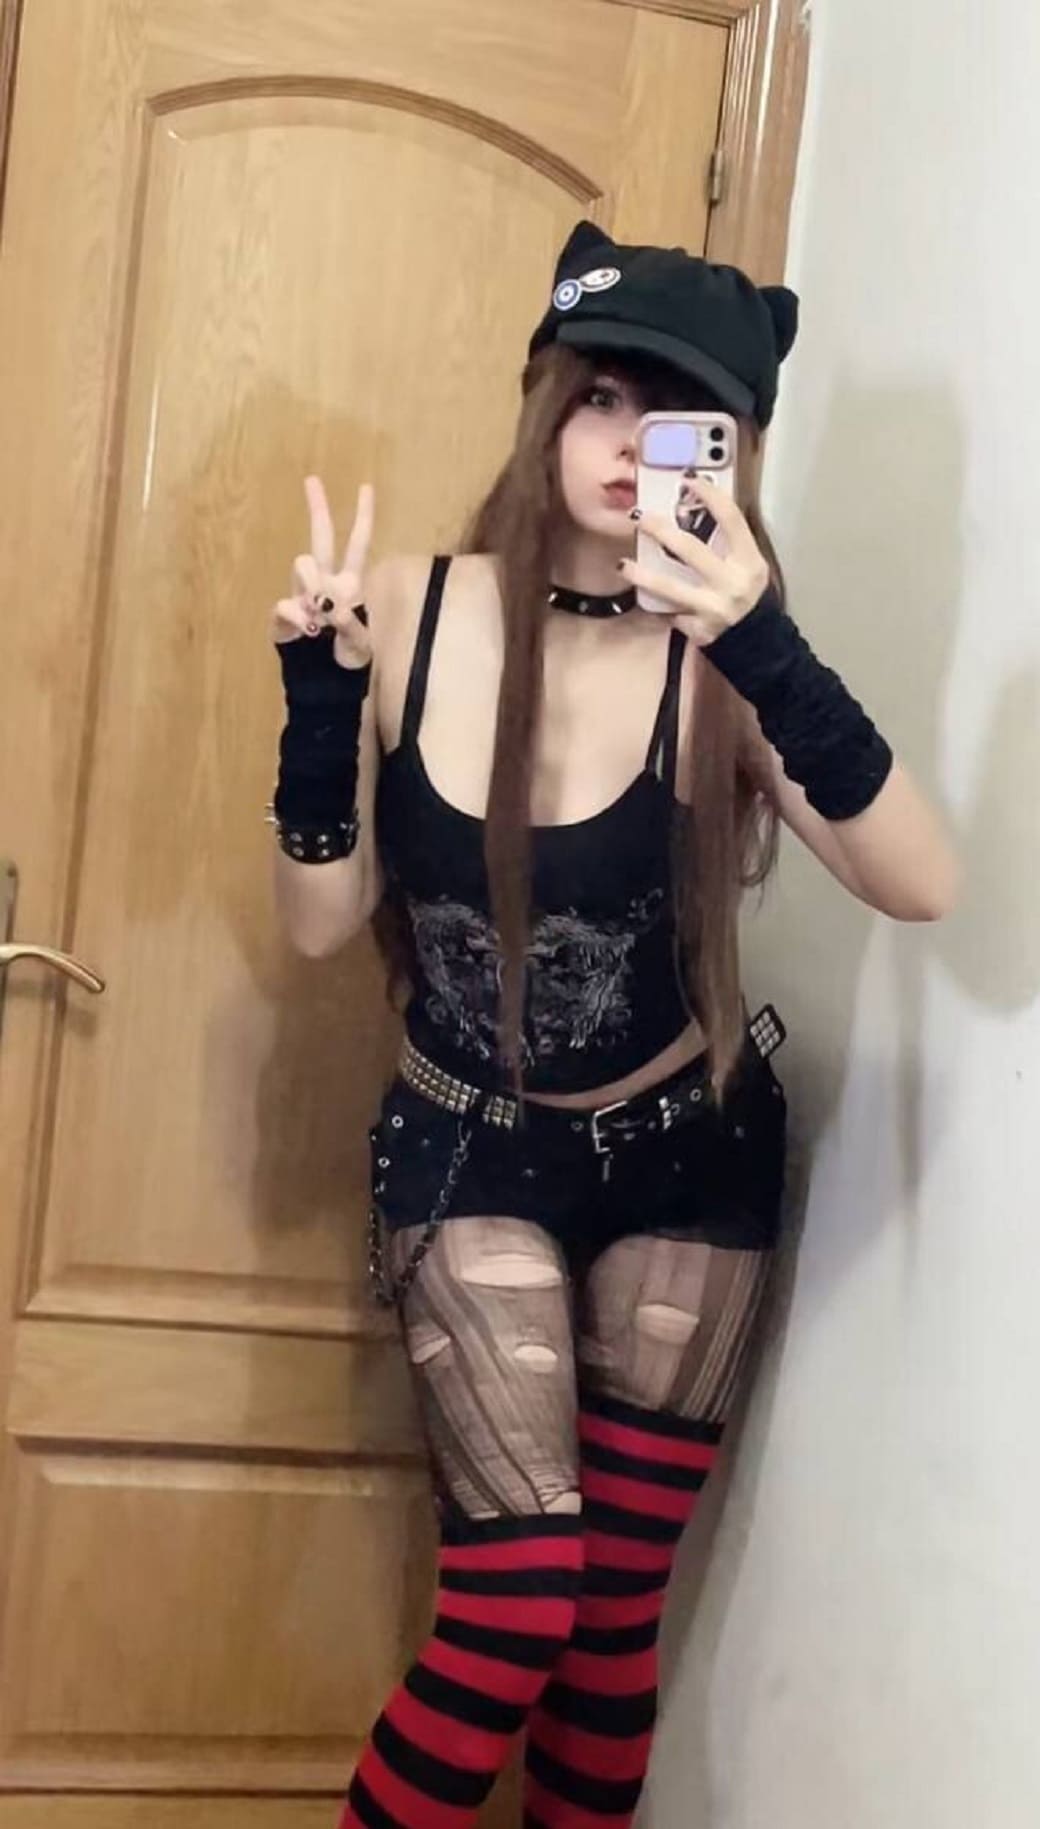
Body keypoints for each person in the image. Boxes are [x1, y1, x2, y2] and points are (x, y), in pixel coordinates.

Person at [267, 221, 958, 1829]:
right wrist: (318, 709)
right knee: (515, 1606)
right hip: (469, 1149)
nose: (629, 443)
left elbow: (923, 881)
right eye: (602, 397)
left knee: (607, 1629)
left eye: (680, 417)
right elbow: (316, 926)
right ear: (546, 402)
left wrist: (761, 639)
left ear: (732, 453)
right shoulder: (410, 607)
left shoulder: (729, 659)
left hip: (685, 1161)